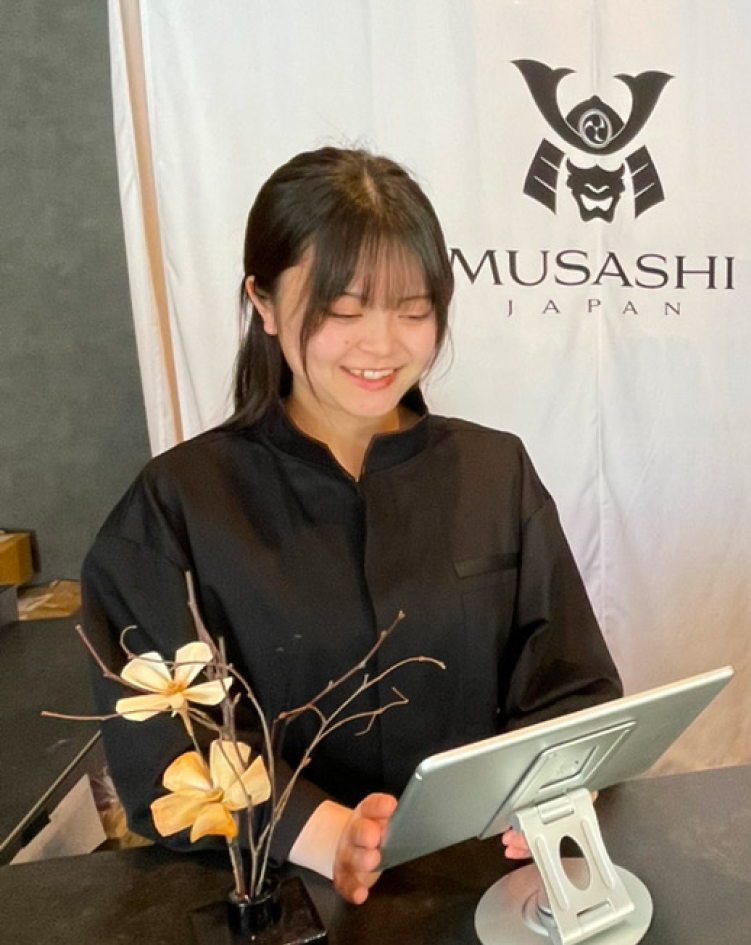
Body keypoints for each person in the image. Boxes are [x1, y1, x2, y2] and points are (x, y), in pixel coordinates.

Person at [82, 146, 622, 906]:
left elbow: (572, 683)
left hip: (484, 890)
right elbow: (162, 749)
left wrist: (558, 780)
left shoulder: (494, 472)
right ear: (264, 303)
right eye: (342, 311)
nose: (382, 345)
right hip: (279, 894)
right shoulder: (178, 503)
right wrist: (320, 830)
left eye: (413, 310)